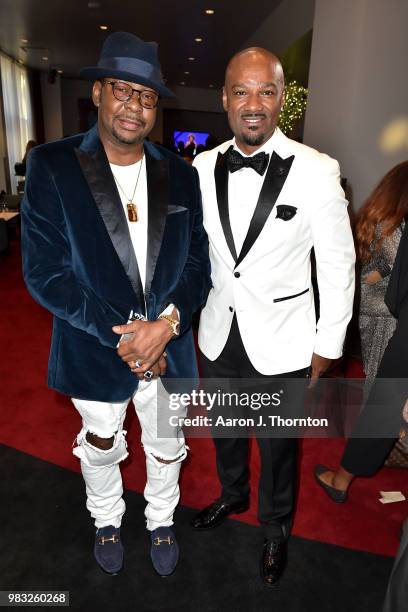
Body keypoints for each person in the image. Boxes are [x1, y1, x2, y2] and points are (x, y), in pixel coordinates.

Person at [21, 32, 210, 577]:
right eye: (123, 91)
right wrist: (127, 336)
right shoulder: (54, 165)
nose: (134, 105)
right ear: (99, 93)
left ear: (156, 108)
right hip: (93, 343)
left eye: (146, 96)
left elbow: (198, 266)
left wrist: (167, 326)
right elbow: (45, 273)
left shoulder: (183, 175)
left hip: (169, 347)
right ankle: (106, 516)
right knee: (101, 441)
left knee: (167, 440)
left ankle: (160, 518)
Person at [191, 47, 355, 587]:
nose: (253, 103)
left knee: (279, 447)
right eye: (242, 91)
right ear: (225, 99)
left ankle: (275, 529)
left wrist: (330, 343)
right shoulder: (202, 165)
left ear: (282, 98)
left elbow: (337, 261)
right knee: (227, 431)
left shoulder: (316, 169)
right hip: (217, 333)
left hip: (284, 339)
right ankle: (231, 495)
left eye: (266, 91)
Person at [314, 163, 408, 501]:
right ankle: (385, 442)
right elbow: (384, 267)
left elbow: (373, 266)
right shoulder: (396, 223)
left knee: (380, 386)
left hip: (374, 311)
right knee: (382, 390)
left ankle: (381, 443)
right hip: (386, 315)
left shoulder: (379, 215)